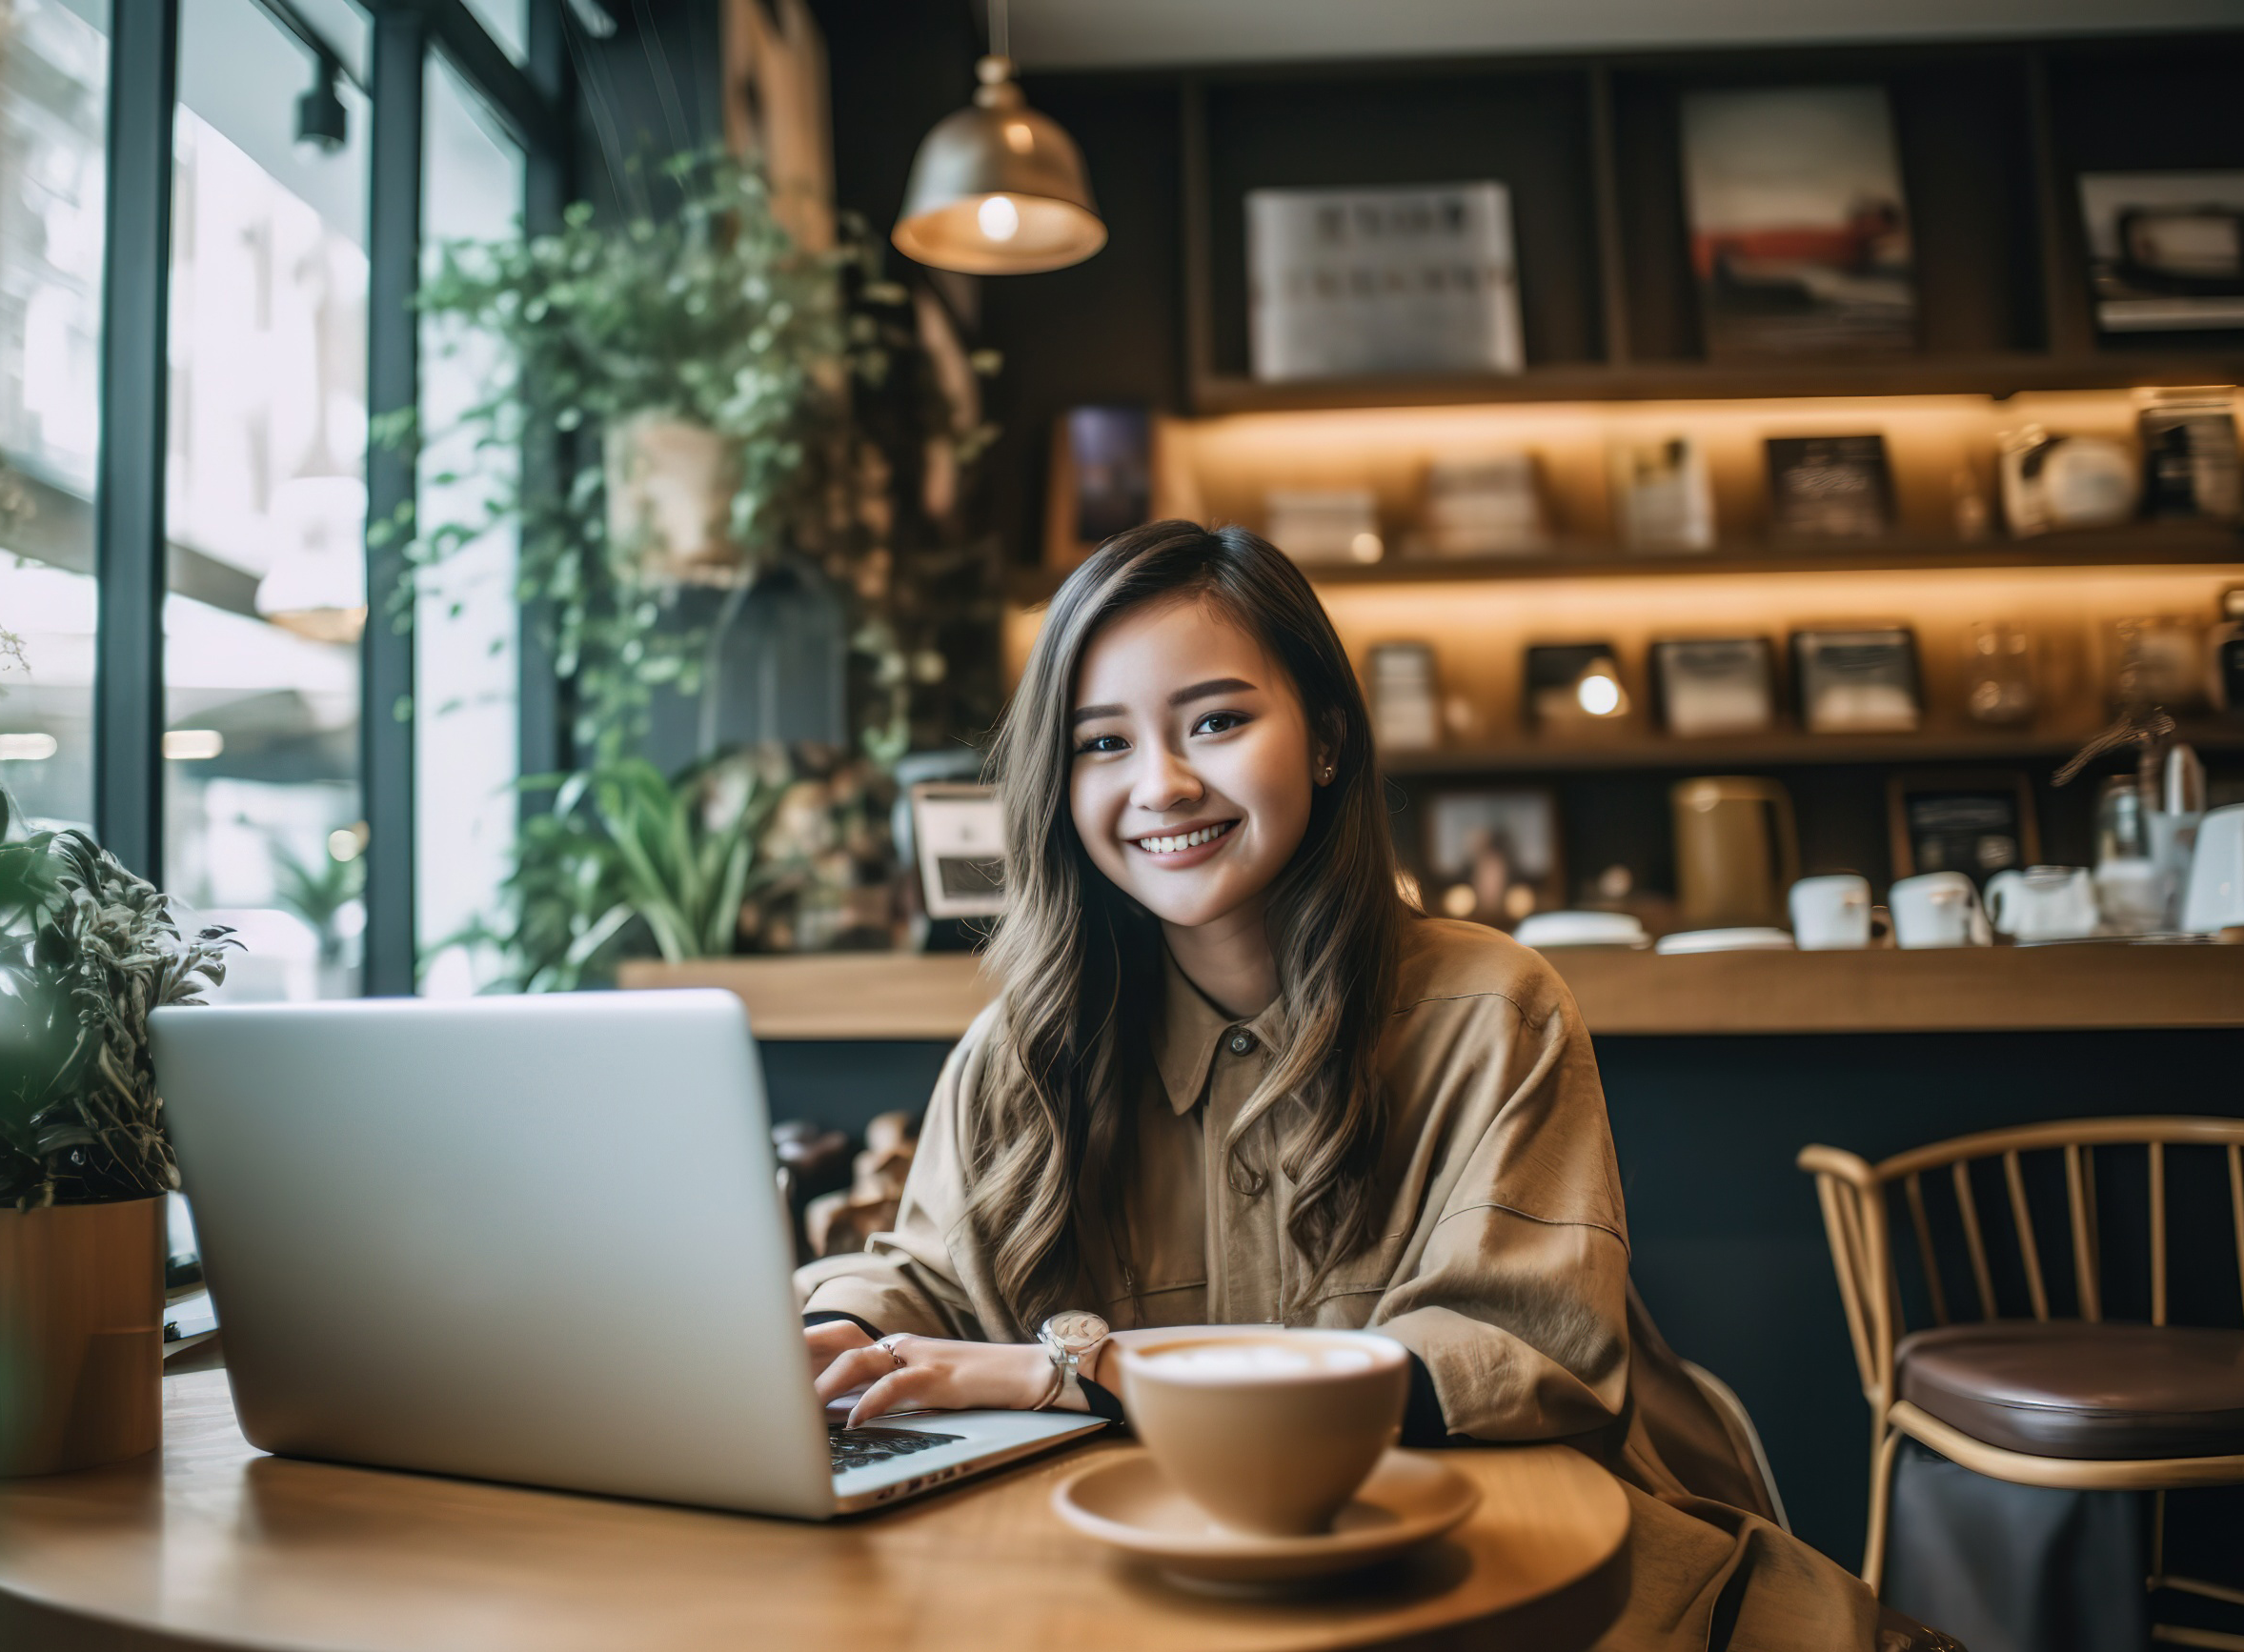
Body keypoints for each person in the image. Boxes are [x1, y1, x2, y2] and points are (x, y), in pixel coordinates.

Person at [797, 521, 1955, 1650]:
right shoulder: (1022, 1046)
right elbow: (926, 1277)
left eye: (1216, 721)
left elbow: (1507, 1359)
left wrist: (1076, 1374)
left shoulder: (1494, 1009)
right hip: (1138, 1602)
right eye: (1103, 743)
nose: (1163, 784)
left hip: (1513, 1596)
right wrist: (836, 1331)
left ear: (1330, 741)